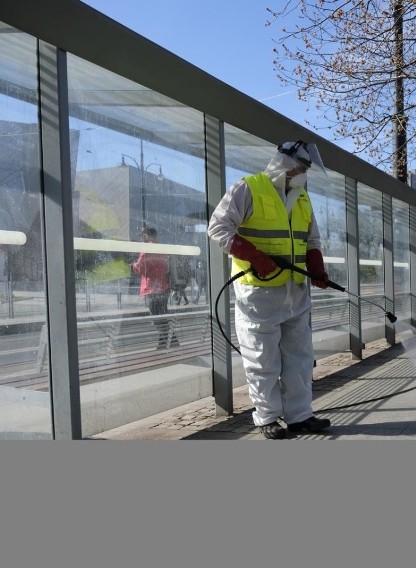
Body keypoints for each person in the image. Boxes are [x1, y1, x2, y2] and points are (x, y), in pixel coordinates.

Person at [207, 140, 333, 440]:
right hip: (259, 293)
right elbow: (218, 227)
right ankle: (266, 417)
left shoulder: (302, 198)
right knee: (262, 359)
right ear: (283, 165)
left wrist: (316, 266)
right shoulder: (249, 188)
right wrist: (254, 255)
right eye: (300, 168)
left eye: (305, 170)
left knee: (300, 357)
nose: (302, 174)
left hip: (295, 291)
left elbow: (311, 240)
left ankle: (301, 416)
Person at [132, 227, 178, 349]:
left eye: (143, 236)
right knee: (162, 316)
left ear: (147, 235)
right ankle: (168, 342)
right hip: (163, 287)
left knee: (156, 318)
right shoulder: (161, 248)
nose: (142, 239)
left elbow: (142, 268)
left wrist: (134, 266)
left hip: (152, 288)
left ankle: (169, 342)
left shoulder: (147, 249)